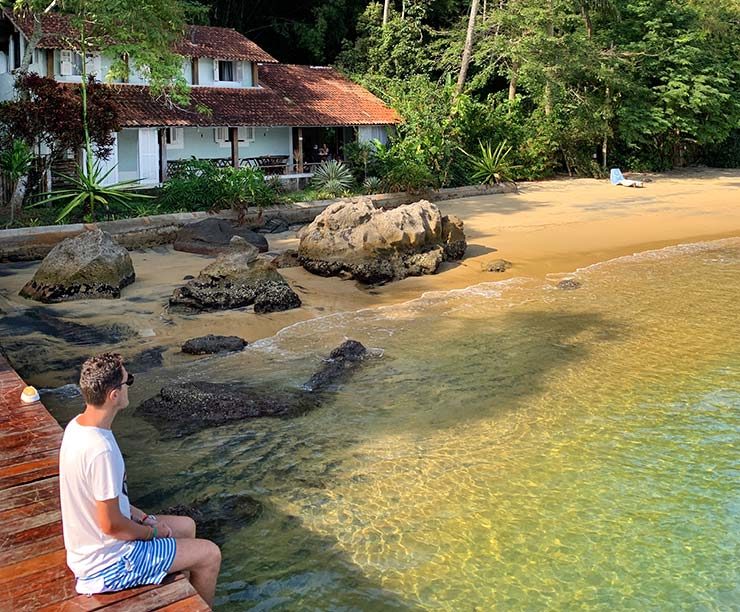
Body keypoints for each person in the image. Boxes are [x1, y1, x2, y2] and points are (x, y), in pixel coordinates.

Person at [59, 353, 221, 606]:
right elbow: (111, 525)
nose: (129, 386)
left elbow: (104, 499)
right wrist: (152, 532)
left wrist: (142, 516)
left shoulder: (77, 426)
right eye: (128, 381)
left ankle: (185, 601)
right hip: (108, 564)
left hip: (93, 548)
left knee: (186, 526)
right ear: (114, 395)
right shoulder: (100, 450)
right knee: (210, 555)